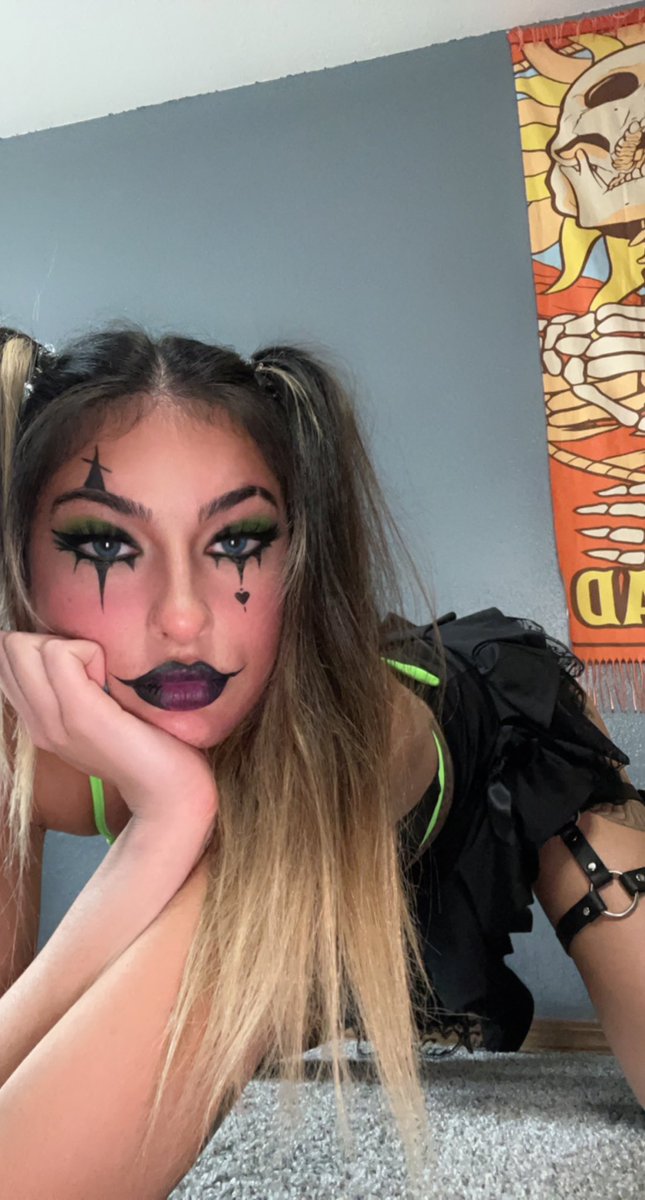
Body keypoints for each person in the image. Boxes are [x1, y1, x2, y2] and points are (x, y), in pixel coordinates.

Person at [0, 325, 643, 1197]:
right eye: (106, 545)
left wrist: (180, 819)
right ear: (19, 562)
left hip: (492, 739)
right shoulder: (18, 743)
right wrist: (170, 818)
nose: (183, 617)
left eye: (237, 542)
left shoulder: (345, 737)